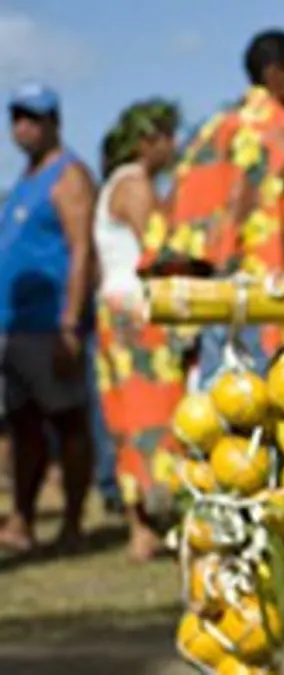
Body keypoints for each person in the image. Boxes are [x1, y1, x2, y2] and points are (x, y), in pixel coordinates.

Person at [141, 30, 284, 385]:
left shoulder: (216, 127)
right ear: (276, 73)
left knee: (220, 408)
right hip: (270, 288)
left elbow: (183, 212)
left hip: (219, 288)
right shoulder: (283, 129)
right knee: (265, 408)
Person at [0, 83, 97, 552]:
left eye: (33, 117)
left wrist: (69, 323)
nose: (22, 126)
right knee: (23, 427)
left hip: (50, 325)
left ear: (54, 121)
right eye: (16, 116)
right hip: (14, 326)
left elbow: (81, 250)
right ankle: (22, 520)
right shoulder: (25, 180)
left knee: (68, 422)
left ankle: (74, 523)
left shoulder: (69, 175)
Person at [93, 100, 190, 560]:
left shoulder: (117, 183)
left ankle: (143, 529)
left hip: (115, 308)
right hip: (137, 310)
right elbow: (156, 251)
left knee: (130, 420)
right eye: (167, 137)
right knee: (152, 419)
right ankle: (150, 525)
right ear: (146, 142)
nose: (173, 147)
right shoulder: (134, 185)